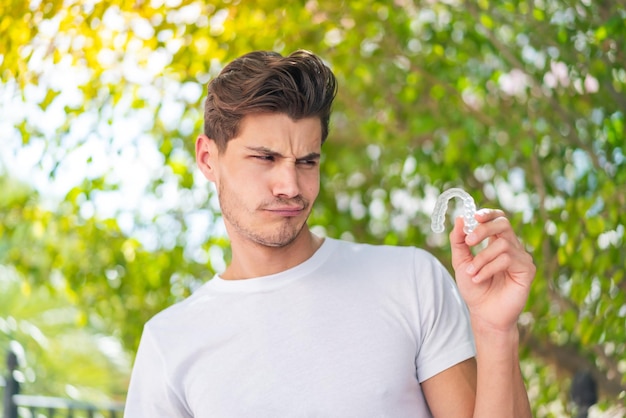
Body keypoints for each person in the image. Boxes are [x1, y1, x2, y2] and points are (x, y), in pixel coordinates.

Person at [124, 50, 535, 417]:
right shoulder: (170, 344)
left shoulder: (409, 279)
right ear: (208, 159)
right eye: (265, 158)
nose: (290, 185)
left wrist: (495, 331)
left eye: (307, 161)